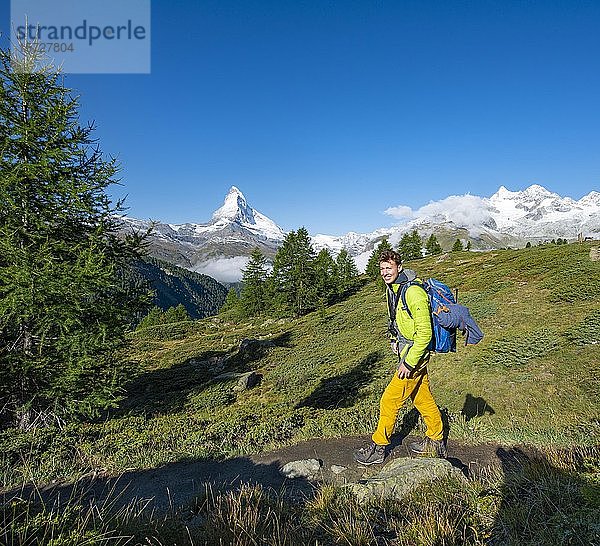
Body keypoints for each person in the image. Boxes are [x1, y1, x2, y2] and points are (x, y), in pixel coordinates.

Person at [354, 249, 447, 465]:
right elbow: (401, 321)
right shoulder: (395, 288)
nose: (385, 272)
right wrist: (396, 339)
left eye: (389, 268)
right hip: (410, 353)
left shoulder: (413, 292)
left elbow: (425, 333)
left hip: (414, 358)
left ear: (400, 267)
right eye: (382, 269)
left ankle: (378, 448)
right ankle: (436, 439)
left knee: (389, 400)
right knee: (422, 398)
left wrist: (408, 362)